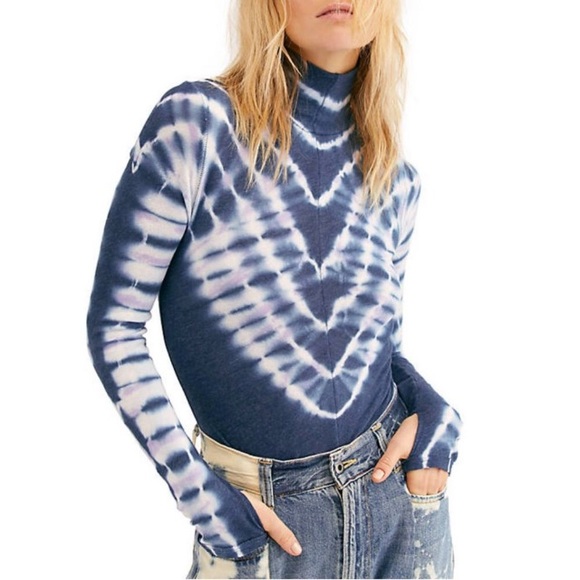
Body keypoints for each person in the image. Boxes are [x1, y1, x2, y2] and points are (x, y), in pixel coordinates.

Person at [87, 1, 462, 578]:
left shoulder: (395, 178)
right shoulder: (196, 127)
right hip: (262, 527)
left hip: (400, 510)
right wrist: (202, 497)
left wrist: (433, 408)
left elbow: (380, 353)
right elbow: (114, 327)